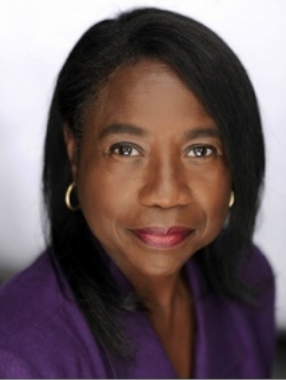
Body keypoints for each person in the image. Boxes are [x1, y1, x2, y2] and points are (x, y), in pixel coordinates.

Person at [0, 7, 275, 379]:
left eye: (201, 151)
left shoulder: (248, 278)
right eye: (126, 149)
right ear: (74, 152)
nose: (165, 194)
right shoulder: (18, 356)